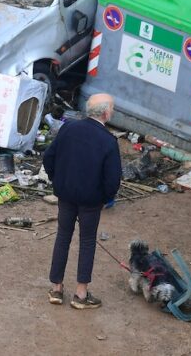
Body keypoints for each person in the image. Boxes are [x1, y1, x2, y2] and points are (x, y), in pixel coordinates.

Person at [42, 93, 122, 309]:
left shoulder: (68, 128)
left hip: (65, 194)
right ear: (106, 113)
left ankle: (57, 289)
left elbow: (49, 157)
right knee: (87, 242)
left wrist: (56, 179)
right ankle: (81, 294)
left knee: (63, 236)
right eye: (112, 108)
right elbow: (113, 179)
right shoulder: (108, 141)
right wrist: (106, 198)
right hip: (91, 201)